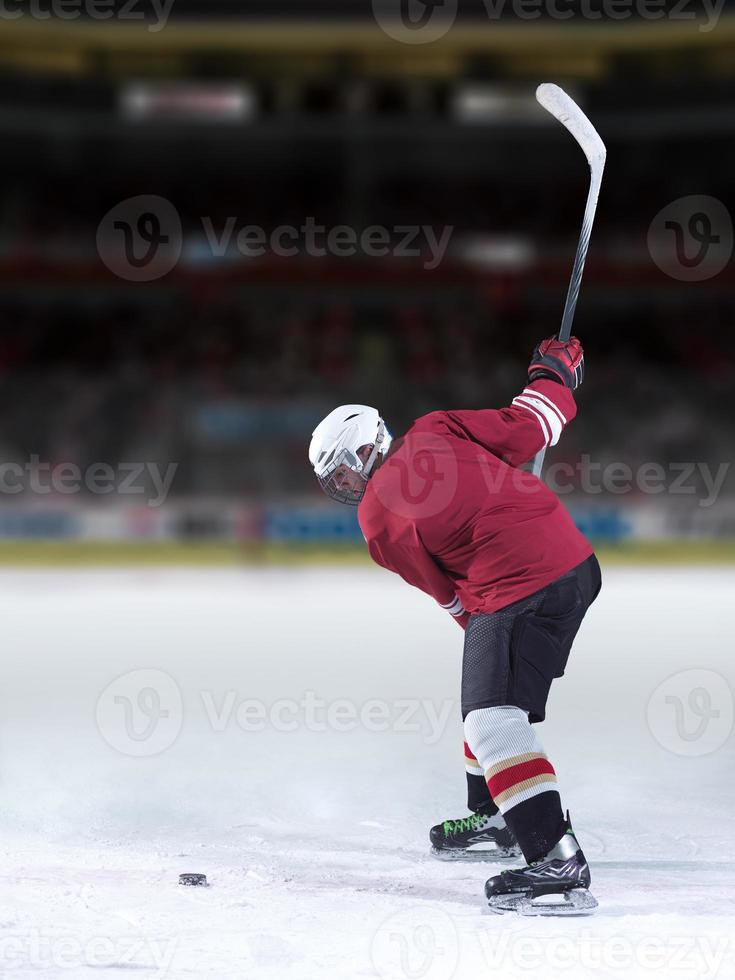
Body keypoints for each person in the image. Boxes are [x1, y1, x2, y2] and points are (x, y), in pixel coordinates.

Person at [308, 336, 601, 914]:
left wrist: (482, 629)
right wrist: (555, 371)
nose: (345, 488)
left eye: (343, 474)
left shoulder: (375, 520)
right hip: (577, 568)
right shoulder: (436, 427)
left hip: (516, 588)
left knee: (490, 719)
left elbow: (450, 598)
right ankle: (496, 819)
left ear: (365, 451)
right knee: (488, 698)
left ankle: (554, 859)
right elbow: (534, 424)